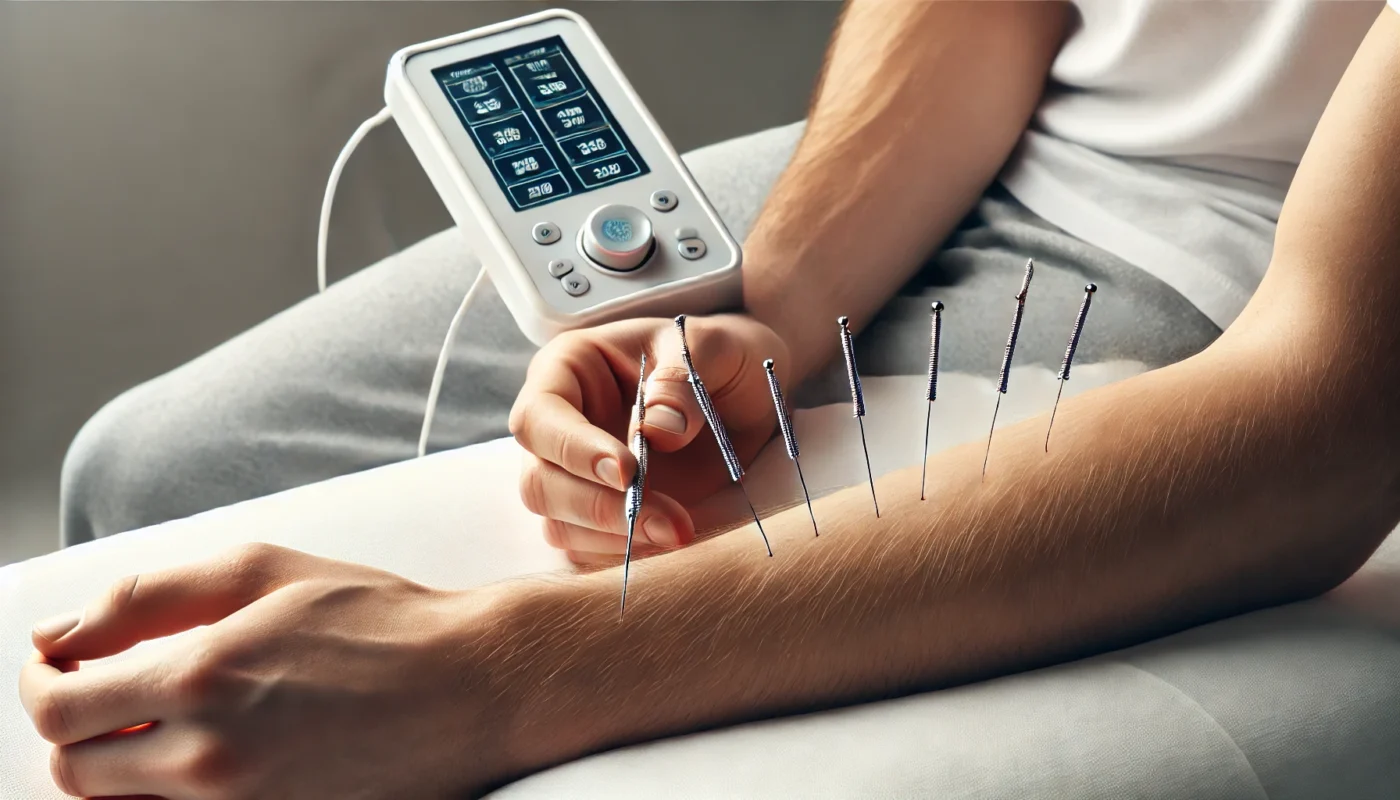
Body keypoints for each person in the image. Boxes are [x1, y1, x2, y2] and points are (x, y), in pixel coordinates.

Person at [22, 0, 1400, 796]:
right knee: (154, 469)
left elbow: (1327, 426)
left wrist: (494, 678)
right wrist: (773, 315)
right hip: (1020, 141)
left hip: (1268, 262)